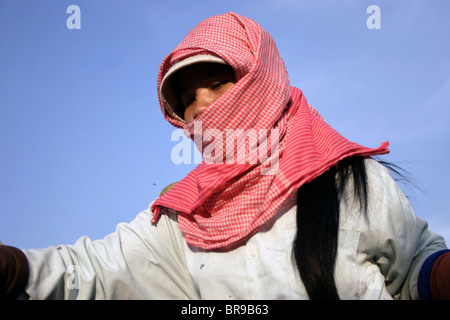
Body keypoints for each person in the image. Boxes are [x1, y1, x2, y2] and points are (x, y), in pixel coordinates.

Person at [1, 12, 449, 300]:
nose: (201, 107)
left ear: (263, 78)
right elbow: (94, 270)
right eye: (186, 99)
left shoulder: (349, 178)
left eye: (216, 83)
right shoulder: (186, 216)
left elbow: (413, 266)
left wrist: (438, 275)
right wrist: (16, 269)